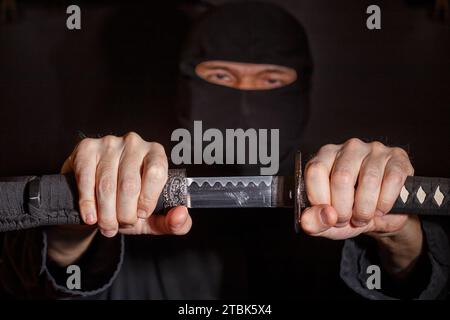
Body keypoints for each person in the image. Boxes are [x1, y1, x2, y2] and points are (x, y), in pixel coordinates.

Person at [1, 1, 448, 299]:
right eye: (221, 77)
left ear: (304, 89)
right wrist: (73, 221)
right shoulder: (139, 188)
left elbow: (420, 284)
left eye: (272, 81)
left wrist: (401, 238)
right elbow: (37, 284)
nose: (246, 99)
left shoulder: (342, 192)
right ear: (185, 87)